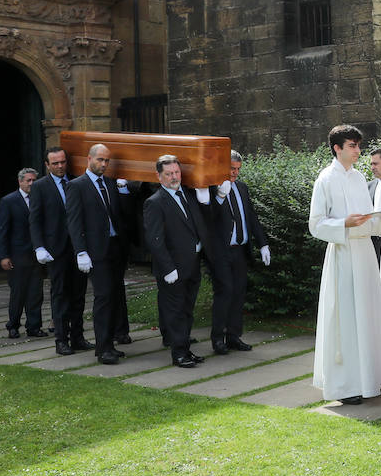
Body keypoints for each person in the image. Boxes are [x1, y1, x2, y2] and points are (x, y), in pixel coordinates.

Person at [309, 124, 381, 404]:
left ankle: (370, 380)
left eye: (358, 145)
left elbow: (366, 216)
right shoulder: (326, 179)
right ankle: (347, 386)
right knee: (346, 319)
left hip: (365, 253)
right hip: (342, 253)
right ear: (337, 148)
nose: (358, 151)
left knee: (368, 314)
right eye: (352, 146)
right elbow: (315, 224)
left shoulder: (358, 178)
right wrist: (343, 222)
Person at [65, 143, 133, 364]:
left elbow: (119, 215)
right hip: (95, 251)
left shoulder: (110, 183)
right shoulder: (78, 186)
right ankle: (103, 348)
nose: (103, 164)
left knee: (114, 296)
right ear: (89, 159)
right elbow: (74, 222)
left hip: (115, 248)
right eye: (100, 160)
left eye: (106, 161)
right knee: (103, 297)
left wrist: (123, 192)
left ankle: (110, 342)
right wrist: (81, 252)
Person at [197, 150, 271, 355]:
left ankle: (233, 336)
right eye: (231, 168)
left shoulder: (242, 188)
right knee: (225, 292)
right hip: (220, 251)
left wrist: (263, 243)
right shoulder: (211, 189)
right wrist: (220, 196)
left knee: (238, 292)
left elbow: (251, 218)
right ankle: (217, 338)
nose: (235, 173)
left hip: (239, 250)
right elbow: (207, 218)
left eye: (238, 169)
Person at [143, 155, 211, 368]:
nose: (174, 177)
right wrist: (168, 267)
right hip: (172, 268)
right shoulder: (154, 202)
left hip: (191, 264)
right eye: (169, 174)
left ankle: (185, 349)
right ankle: (179, 354)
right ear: (159, 176)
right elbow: (155, 239)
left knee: (187, 309)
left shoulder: (188, 195)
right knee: (175, 312)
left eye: (176, 172)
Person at [29, 146, 90, 356]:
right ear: (47, 165)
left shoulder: (77, 181)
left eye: (63, 162)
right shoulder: (40, 187)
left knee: (79, 294)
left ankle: (78, 337)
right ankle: (61, 339)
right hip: (56, 249)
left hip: (78, 248)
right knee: (60, 294)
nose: (60, 166)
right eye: (55, 163)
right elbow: (34, 219)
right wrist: (39, 246)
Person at [0, 167, 46, 339]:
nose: (32, 184)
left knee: (35, 293)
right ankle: (13, 325)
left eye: (34, 180)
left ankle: (34, 326)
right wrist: (3, 256)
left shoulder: (40, 199)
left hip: (36, 254)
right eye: (28, 180)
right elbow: (2, 230)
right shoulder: (8, 201)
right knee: (18, 293)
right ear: (20, 181)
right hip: (17, 255)